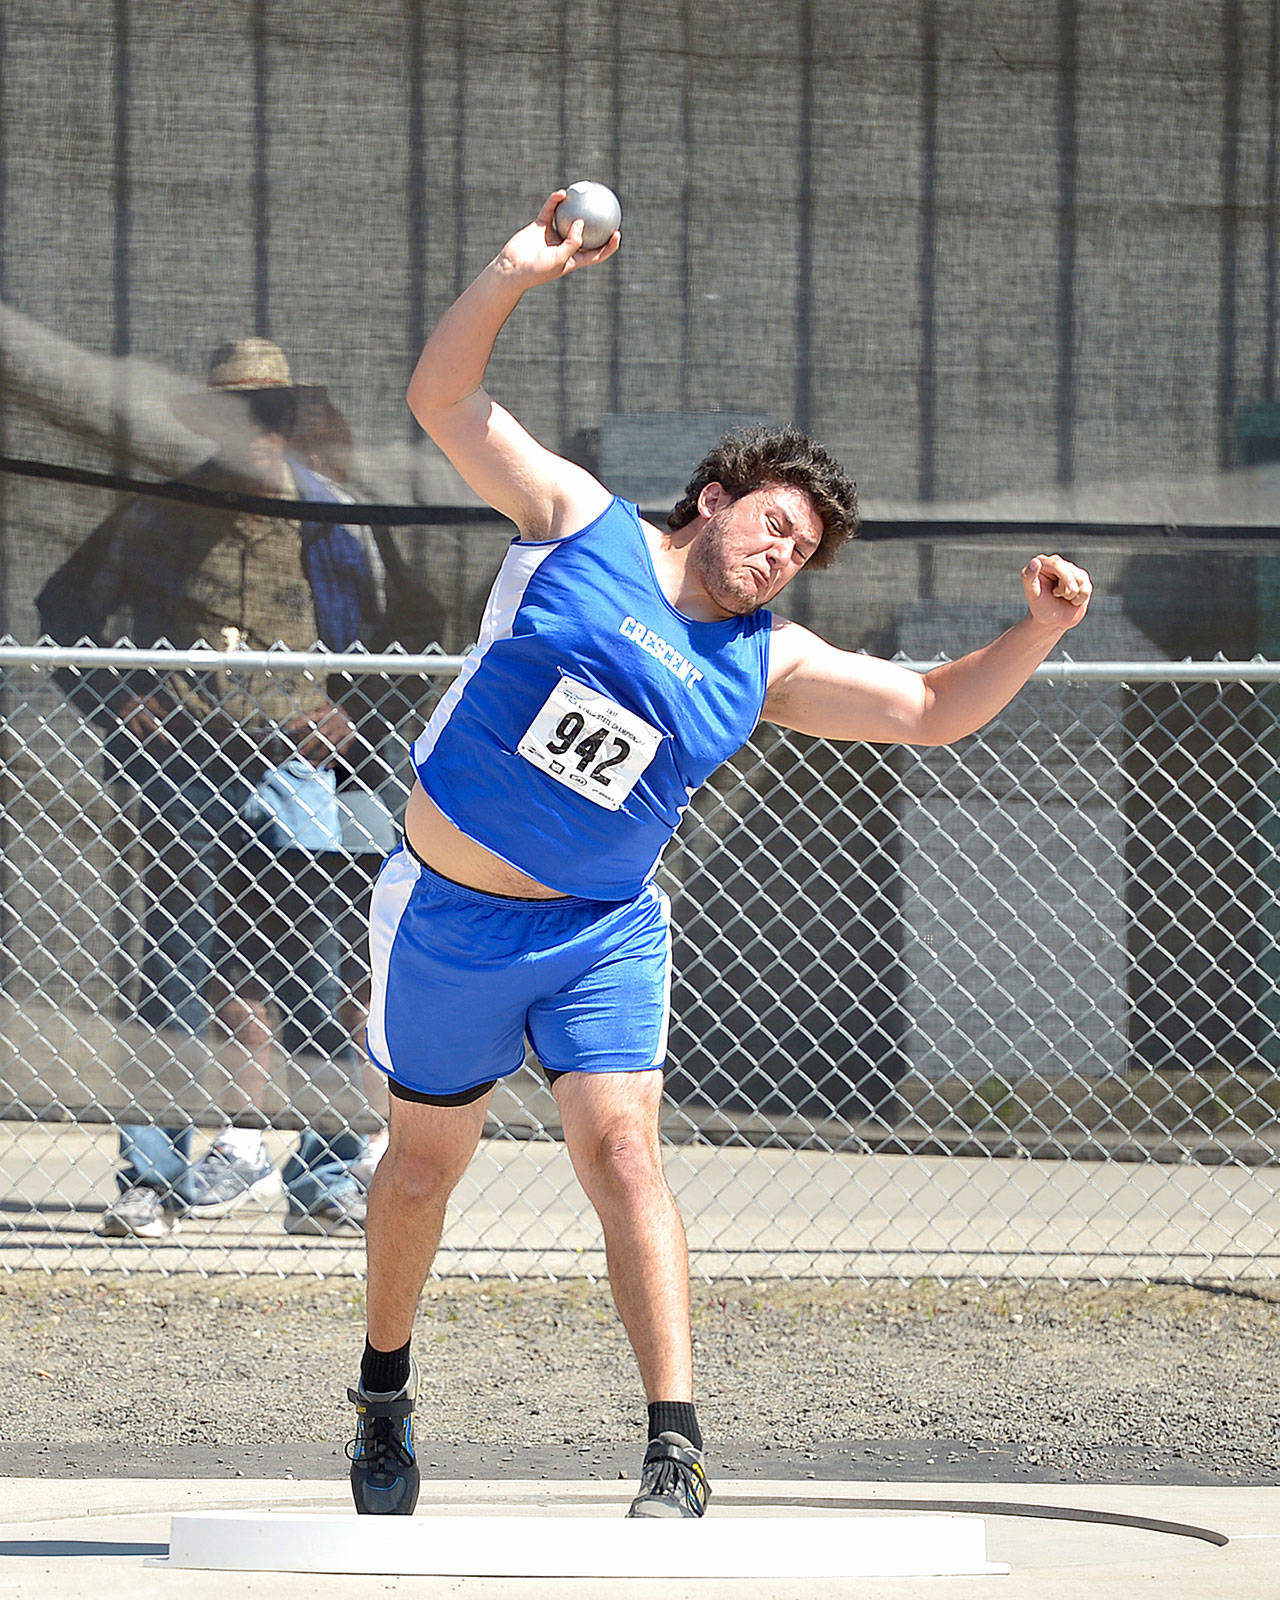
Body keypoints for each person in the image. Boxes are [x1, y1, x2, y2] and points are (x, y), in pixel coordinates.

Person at [346, 191, 1092, 1518]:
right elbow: (444, 400)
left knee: (624, 1152)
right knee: (418, 1172)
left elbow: (927, 713)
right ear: (715, 498)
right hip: (451, 916)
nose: (779, 558)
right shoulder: (577, 526)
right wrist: (515, 273)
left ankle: (674, 1445)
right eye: (772, 527)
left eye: (800, 554)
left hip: (602, 932)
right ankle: (385, 1392)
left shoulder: (768, 660)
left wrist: (1032, 633)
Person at [37, 338, 393, 1238]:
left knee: (315, 974)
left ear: (287, 422)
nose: (256, 433)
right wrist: (121, 697)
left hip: (304, 770)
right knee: (173, 971)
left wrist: (358, 713)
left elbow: (405, 634)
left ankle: (323, 1183)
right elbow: (64, 605)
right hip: (186, 766)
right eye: (238, 417)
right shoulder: (162, 513)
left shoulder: (337, 517)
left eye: (270, 416)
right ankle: (150, 1181)